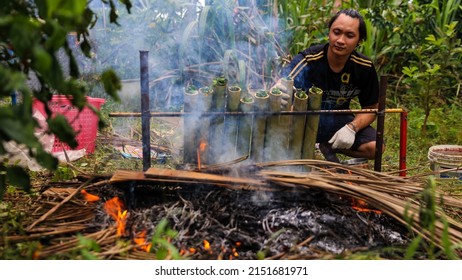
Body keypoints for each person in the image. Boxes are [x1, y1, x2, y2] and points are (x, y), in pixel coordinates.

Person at [274, 9, 381, 163]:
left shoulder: (364, 67)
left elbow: (371, 108)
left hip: (337, 121)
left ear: (359, 41)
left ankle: (328, 146)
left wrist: (351, 128)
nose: (340, 40)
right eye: (336, 32)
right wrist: (279, 90)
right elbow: (282, 82)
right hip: (302, 119)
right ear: (329, 33)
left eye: (349, 35)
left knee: (375, 148)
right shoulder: (310, 59)